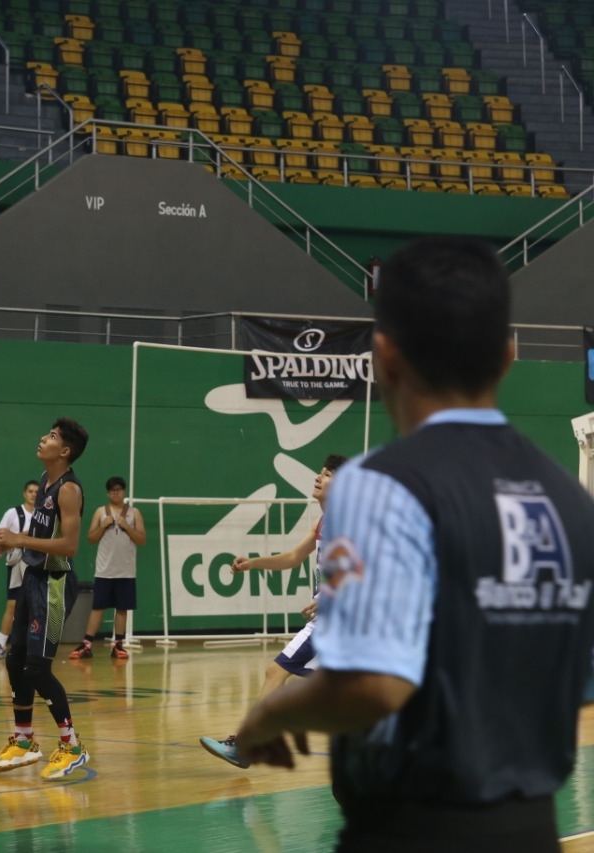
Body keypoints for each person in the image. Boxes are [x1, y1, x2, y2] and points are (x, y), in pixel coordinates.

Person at [235, 237, 594, 852]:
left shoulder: (378, 488)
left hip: (412, 828)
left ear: (382, 355)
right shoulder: (569, 500)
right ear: (509, 355)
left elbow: (372, 687)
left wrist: (271, 716)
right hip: (532, 828)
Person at [199, 454, 346, 768]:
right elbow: (293, 557)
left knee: (276, 671)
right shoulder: (324, 521)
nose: (319, 477)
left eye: (328, 474)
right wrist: (253, 564)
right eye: (319, 472)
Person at [0, 418, 91, 780]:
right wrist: (11, 539)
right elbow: (44, 531)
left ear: (64, 451)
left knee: (37, 668)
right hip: (34, 576)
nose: (42, 438)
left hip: (55, 583)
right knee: (15, 660)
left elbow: (70, 546)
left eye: (51, 437)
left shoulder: (68, 490)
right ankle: (25, 739)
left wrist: (20, 540)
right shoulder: (46, 482)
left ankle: (72, 745)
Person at [71, 476, 145, 660]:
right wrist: (103, 526)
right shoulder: (100, 512)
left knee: (122, 608)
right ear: (107, 493)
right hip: (105, 569)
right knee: (98, 606)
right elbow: (90, 538)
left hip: (126, 570)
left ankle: (118, 645)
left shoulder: (134, 513)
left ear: (124, 492)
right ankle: (87, 644)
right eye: (112, 490)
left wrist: (127, 527)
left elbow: (142, 539)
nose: (115, 493)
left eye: (119, 490)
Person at [0, 480, 38, 659]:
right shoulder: (13, 513)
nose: (33, 494)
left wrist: (20, 536)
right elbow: (0, 534)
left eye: (36, 492)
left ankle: (33, 646)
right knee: (12, 605)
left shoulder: (43, 515)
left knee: (36, 606)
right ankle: (1, 644)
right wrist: (0, 544)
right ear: (24, 494)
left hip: (38, 564)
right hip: (18, 563)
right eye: (30, 491)